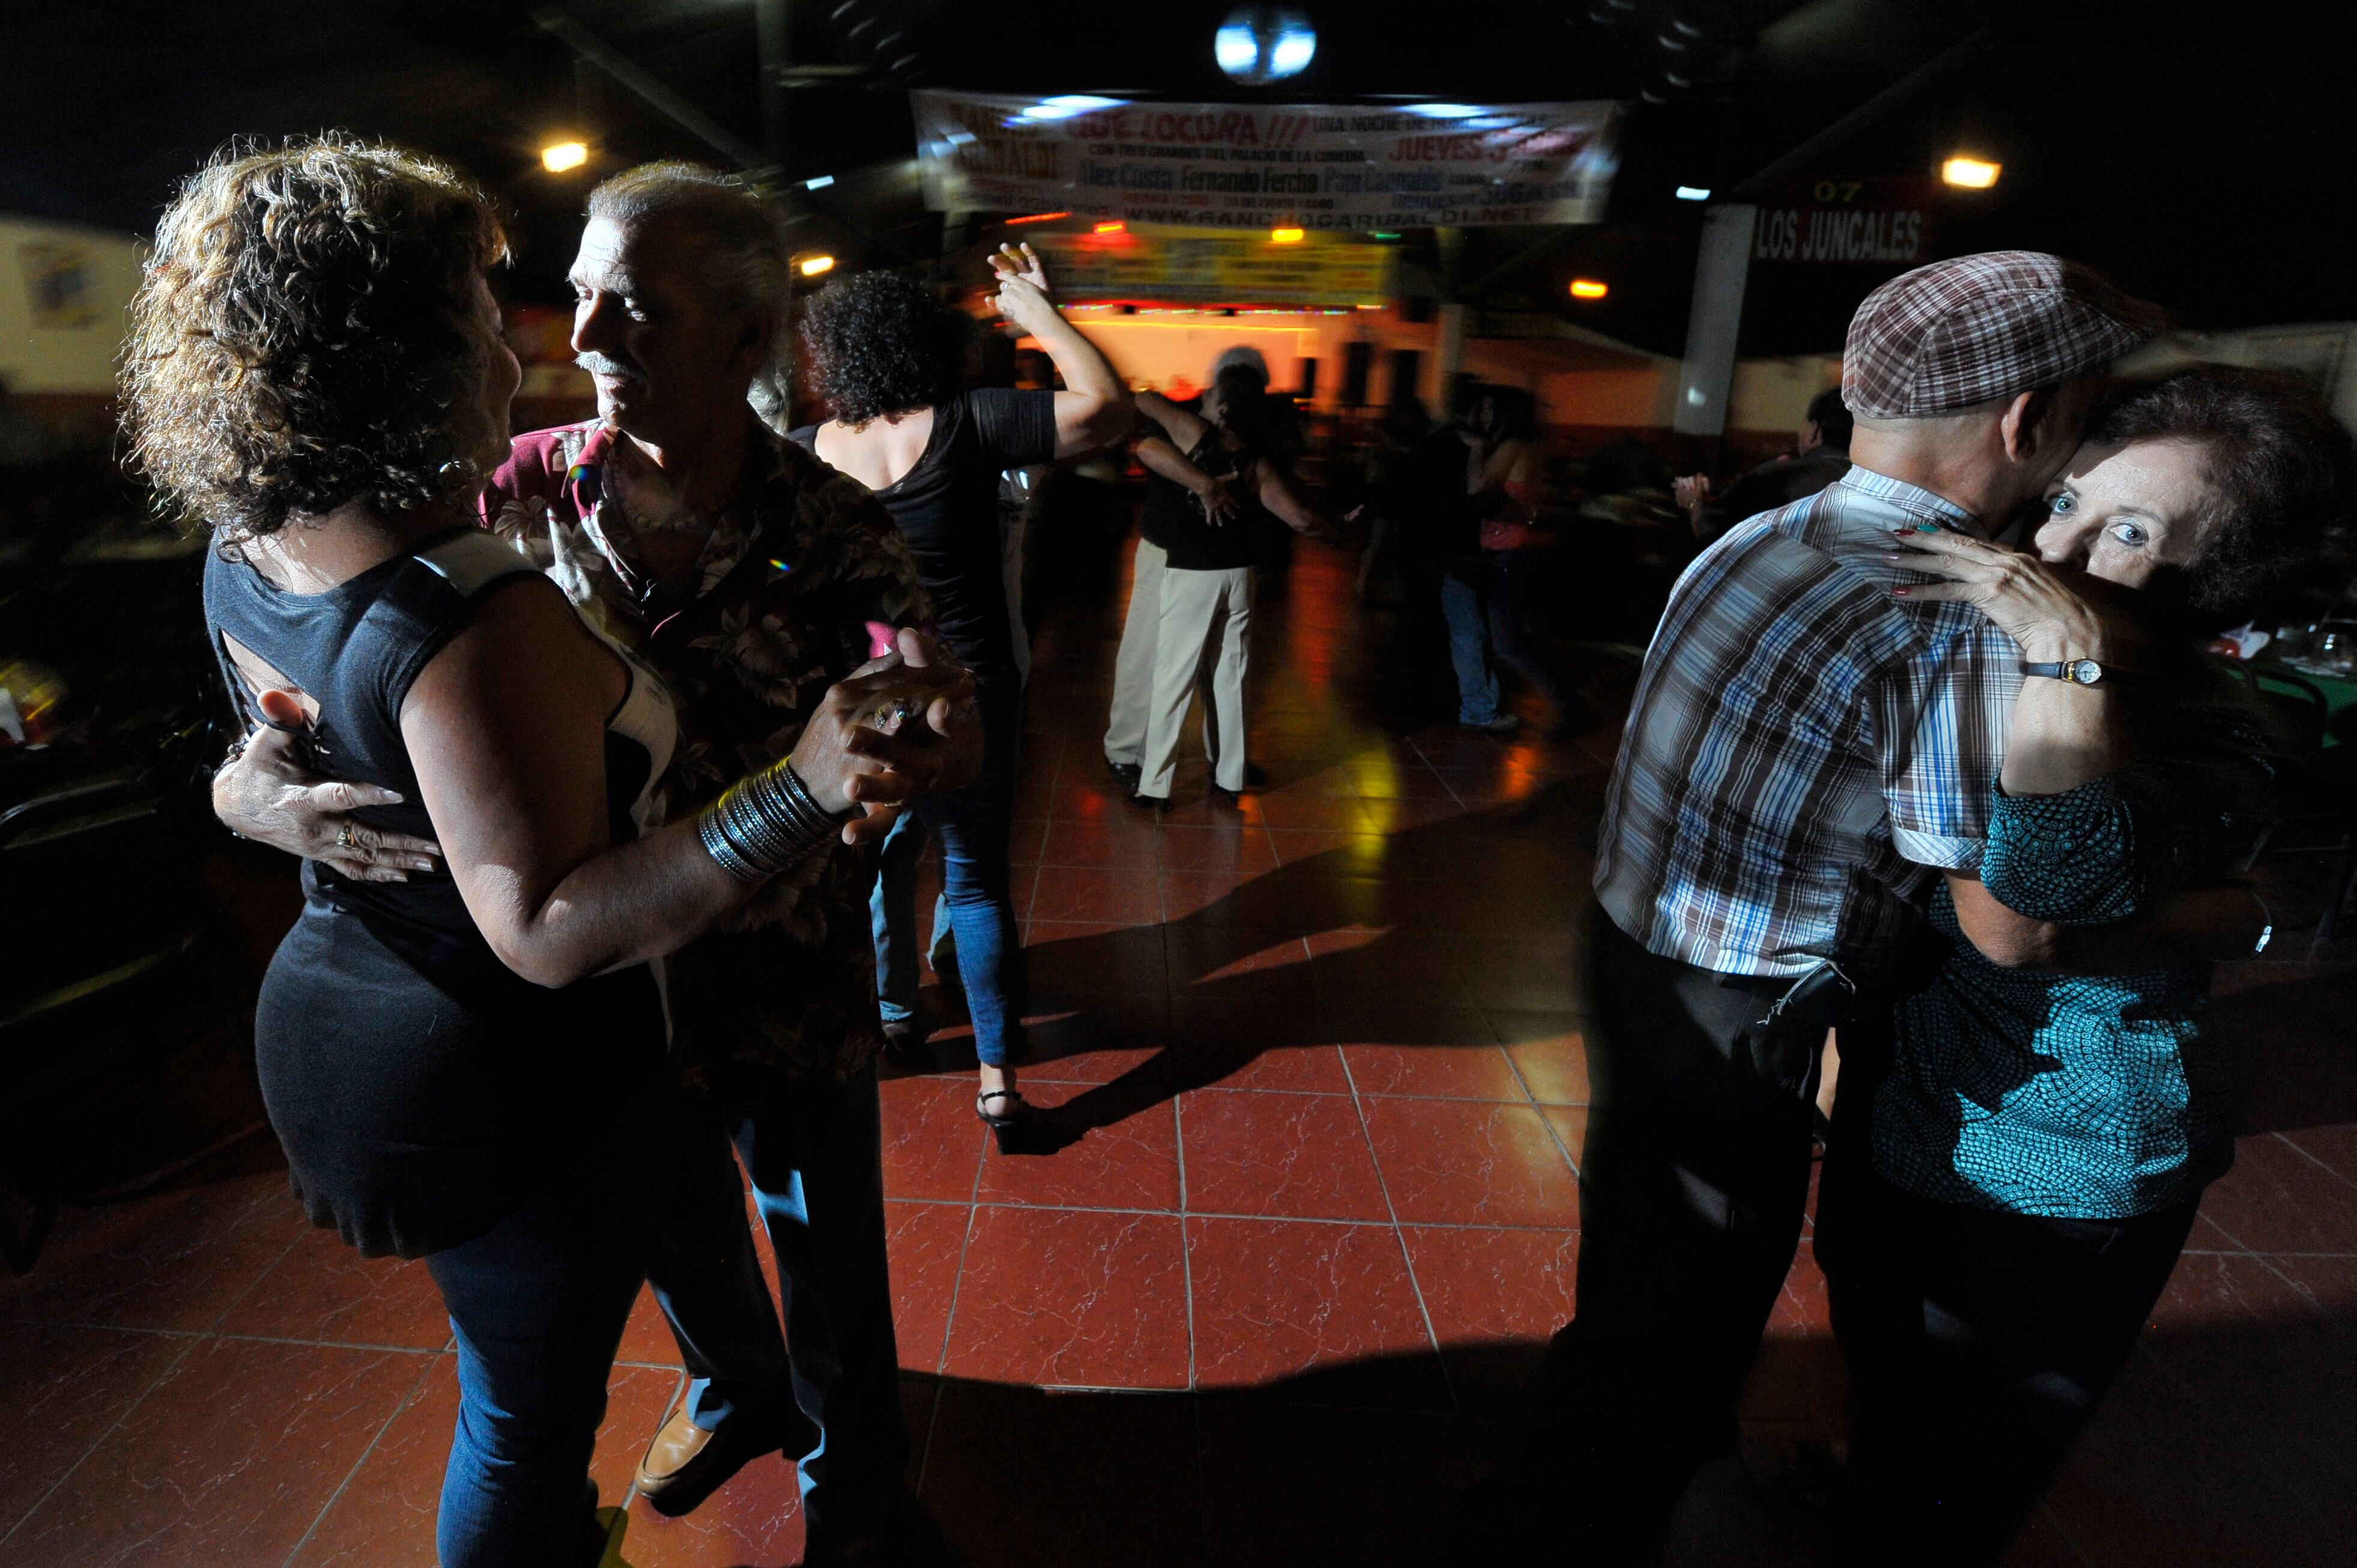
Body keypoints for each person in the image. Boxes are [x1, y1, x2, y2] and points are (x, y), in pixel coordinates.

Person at [137, 140, 970, 1568]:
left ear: (745, 341)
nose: (578, 339)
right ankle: (734, 1392)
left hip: (779, 965)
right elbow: (333, 639)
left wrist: (927, 733)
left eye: (636, 307)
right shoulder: (507, 494)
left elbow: (917, 680)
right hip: (609, 1004)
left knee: (824, 1254)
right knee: (674, 1239)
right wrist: (239, 792)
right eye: (568, 297)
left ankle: (855, 1497)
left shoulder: (827, 521)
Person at [1433, 252, 2165, 1566]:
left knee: (1645, 1273)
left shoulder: (1769, 526)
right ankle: (1554, 1530)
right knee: (1678, 1327)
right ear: (2027, 417)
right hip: (1738, 1014)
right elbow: (2011, 924)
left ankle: (1591, 1462)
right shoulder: (1946, 605)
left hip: (1637, 955)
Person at [1818, 366, 2355, 1566]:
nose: (2055, 548)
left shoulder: (2190, 719)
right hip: (1915, 1101)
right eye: (2066, 500)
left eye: (2131, 530)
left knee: (1972, 1451)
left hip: (2057, 1148)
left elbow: (2028, 910)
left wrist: (2065, 656)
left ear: (2220, 577)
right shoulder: (2002, 663)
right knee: (1886, 1373)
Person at [792, 246, 1130, 1142]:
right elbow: (1107, 407)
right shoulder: (971, 421)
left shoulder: (807, 453)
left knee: (876, 863)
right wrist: (1040, 314)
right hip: (969, 693)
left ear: (835, 354)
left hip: (862, 699)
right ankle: (997, 1081)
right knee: (975, 884)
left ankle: (893, 1015)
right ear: (935, 344)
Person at [1123, 370, 1342, 808]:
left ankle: (1155, 785)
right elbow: (1299, 518)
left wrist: (1201, 481)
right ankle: (1230, 776)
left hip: (1194, 572)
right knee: (1231, 676)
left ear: (1223, 407)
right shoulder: (1256, 459)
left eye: (1211, 392)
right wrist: (1337, 534)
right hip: (1240, 574)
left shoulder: (1195, 433)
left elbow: (1144, 410)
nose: (1202, 396)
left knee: (1174, 678)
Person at [1465, 384, 1596, 736]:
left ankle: (1570, 708)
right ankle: (1569, 704)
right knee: (1513, 640)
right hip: (1518, 553)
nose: (1484, 416)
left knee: (1508, 644)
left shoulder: (1513, 445)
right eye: (1483, 408)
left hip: (1510, 555)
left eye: (1491, 409)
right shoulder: (1530, 446)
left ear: (1508, 414)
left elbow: (1478, 489)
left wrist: (1476, 449)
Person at [1674, 384, 1855, 545]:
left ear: (1814, 431)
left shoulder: (1782, 474)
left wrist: (1694, 502)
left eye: (1804, 424)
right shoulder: (1861, 482)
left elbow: (1711, 534)